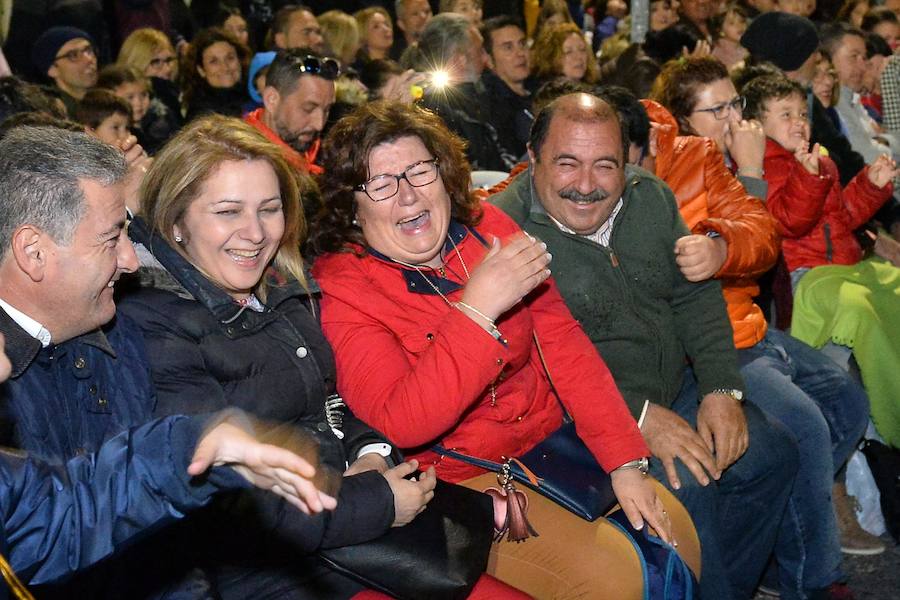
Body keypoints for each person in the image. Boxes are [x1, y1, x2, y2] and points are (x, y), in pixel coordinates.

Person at [117, 113, 522, 600]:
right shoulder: (155, 325)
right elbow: (228, 502)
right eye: (228, 212)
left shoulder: (282, 289)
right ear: (176, 220)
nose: (254, 233)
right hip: (272, 573)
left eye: (269, 209)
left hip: (345, 535)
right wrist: (372, 501)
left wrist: (370, 454)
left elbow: (332, 404)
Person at [310, 100, 700, 599]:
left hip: (548, 448)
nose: (407, 195)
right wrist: (476, 312)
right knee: (615, 578)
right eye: (382, 183)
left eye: (419, 171)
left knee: (679, 534)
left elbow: (564, 345)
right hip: (459, 484)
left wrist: (624, 462)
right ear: (352, 205)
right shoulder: (344, 290)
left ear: (443, 173)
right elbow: (400, 421)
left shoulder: (487, 228)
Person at [488, 92, 799, 600]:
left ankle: (721, 586)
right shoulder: (505, 234)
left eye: (604, 165)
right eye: (567, 163)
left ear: (628, 159)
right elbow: (531, 369)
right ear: (532, 156)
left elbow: (694, 296)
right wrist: (638, 418)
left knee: (773, 454)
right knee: (688, 485)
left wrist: (722, 388)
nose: (586, 185)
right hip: (582, 424)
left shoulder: (650, 195)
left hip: (677, 388)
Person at [619, 74, 876, 595]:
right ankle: (814, 577)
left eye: (736, 103)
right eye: (718, 110)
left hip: (748, 323)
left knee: (845, 400)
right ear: (679, 120)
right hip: (721, 340)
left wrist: (723, 238)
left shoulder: (712, 158)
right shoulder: (636, 174)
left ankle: (793, 530)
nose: (736, 118)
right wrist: (754, 172)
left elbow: (762, 242)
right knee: (799, 428)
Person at [741, 74, 900, 457]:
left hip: (848, 265)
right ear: (758, 126)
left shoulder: (818, 159)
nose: (799, 121)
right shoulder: (766, 166)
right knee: (861, 312)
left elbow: (843, 217)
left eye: (802, 113)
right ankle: (889, 414)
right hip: (807, 275)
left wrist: (871, 185)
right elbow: (787, 221)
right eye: (785, 114)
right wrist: (807, 178)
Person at [402, 13, 516, 172]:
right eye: (480, 50)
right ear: (459, 60)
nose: (486, 57)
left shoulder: (485, 92)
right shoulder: (430, 109)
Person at [244, 49, 338, 176]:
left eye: (327, 110)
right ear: (271, 100)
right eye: (308, 109)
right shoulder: (241, 163)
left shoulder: (324, 155)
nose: (319, 124)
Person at [479, 16, 534, 160]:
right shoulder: (492, 109)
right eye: (508, 47)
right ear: (489, 59)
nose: (520, 53)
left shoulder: (541, 90)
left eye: (522, 44)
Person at [116, 28, 182, 126]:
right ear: (136, 63)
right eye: (156, 62)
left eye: (169, 60)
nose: (167, 69)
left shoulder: (175, 95)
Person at [182, 27, 249, 121]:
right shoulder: (200, 118)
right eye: (214, 61)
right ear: (201, 70)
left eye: (230, 58)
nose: (225, 67)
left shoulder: (256, 97)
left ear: (240, 61)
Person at [29, 27, 97, 116]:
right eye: (73, 55)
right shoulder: (54, 116)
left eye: (88, 51)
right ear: (52, 69)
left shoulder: (103, 104)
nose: (89, 59)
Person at [530, 23, 599, 85]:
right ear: (553, 57)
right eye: (568, 52)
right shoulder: (547, 95)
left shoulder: (593, 90)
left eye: (582, 49)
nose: (579, 56)